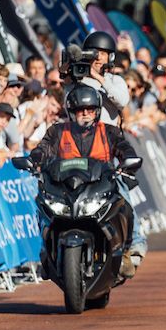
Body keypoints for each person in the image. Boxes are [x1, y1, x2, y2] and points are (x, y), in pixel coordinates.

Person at [30, 84, 146, 276]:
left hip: (101, 185)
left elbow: (125, 148)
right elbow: (43, 149)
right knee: (42, 204)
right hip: (66, 187)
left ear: (97, 112)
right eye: (79, 110)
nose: (85, 114)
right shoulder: (57, 132)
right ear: (71, 112)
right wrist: (34, 159)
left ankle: (130, 248)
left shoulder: (110, 132)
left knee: (124, 200)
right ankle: (46, 250)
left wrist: (127, 160)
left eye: (89, 110)